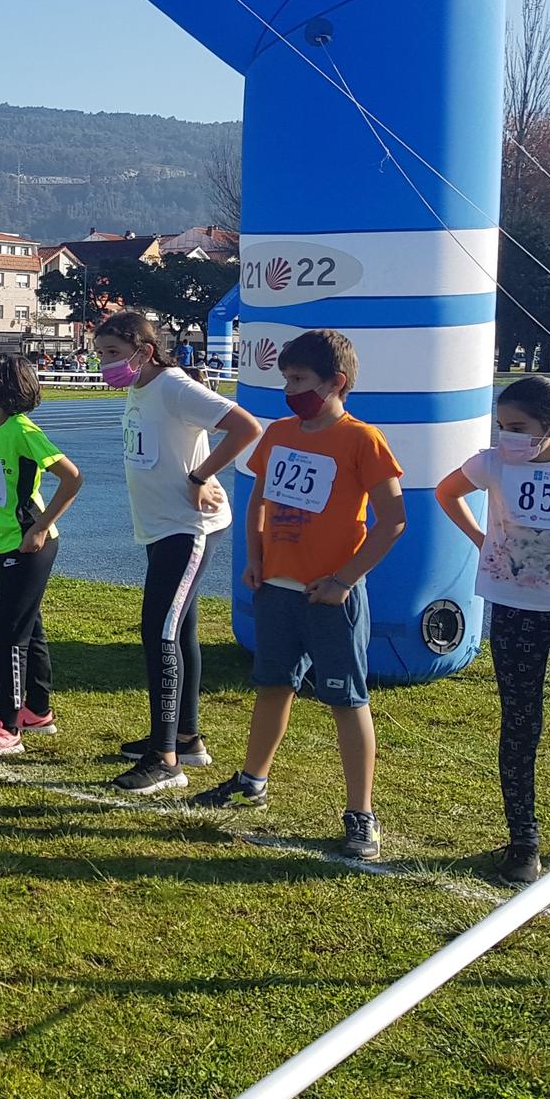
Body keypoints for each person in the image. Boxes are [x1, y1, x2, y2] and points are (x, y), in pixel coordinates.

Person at [195, 329, 403, 863]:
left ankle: (361, 813)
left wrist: (344, 580)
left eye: (299, 380)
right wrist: (257, 559)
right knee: (272, 686)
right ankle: (252, 780)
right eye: (285, 379)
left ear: (337, 382)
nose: (290, 390)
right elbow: (258, 502)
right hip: (277, 591)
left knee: (345, 699)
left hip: (329, 597)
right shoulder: (280, 432)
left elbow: (392, 521)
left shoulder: (363, 440)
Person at [434, 376, 550, 884]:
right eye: (502, 426)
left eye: (519, 428)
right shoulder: (492, 463)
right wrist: (482, 539)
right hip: (514, 610)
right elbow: (447, 491)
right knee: (521, 725)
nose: (508, 437)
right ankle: (523, 842)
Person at [93, 312, 262, 793]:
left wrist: (200, 475)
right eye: (100, 353)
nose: (104, 364)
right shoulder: (140, 388)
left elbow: (246, 427)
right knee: (179, 627)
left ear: (144, 351)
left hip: (187, 529)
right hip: (160, 528)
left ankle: (165, 759)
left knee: (159, 632)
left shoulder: (173, 386)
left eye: (113, 354)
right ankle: (186, 737)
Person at [0, 352, 84, 758]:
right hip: (1, 540)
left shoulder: (23, 430)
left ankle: (8, 726)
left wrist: (38, 527)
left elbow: (71, 477)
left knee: (8, 631)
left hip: (30, 544)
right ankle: (38, 709)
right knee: (29, 623)